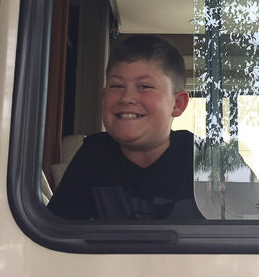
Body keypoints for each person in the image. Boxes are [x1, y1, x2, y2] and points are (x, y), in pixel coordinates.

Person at [47, 34, 203, 220]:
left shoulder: (209, 159)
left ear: (177, 104)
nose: (127, 97)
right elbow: (59, 230)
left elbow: (244, 231)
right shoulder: (94, 155)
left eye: (144, 86)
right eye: (117, 86)